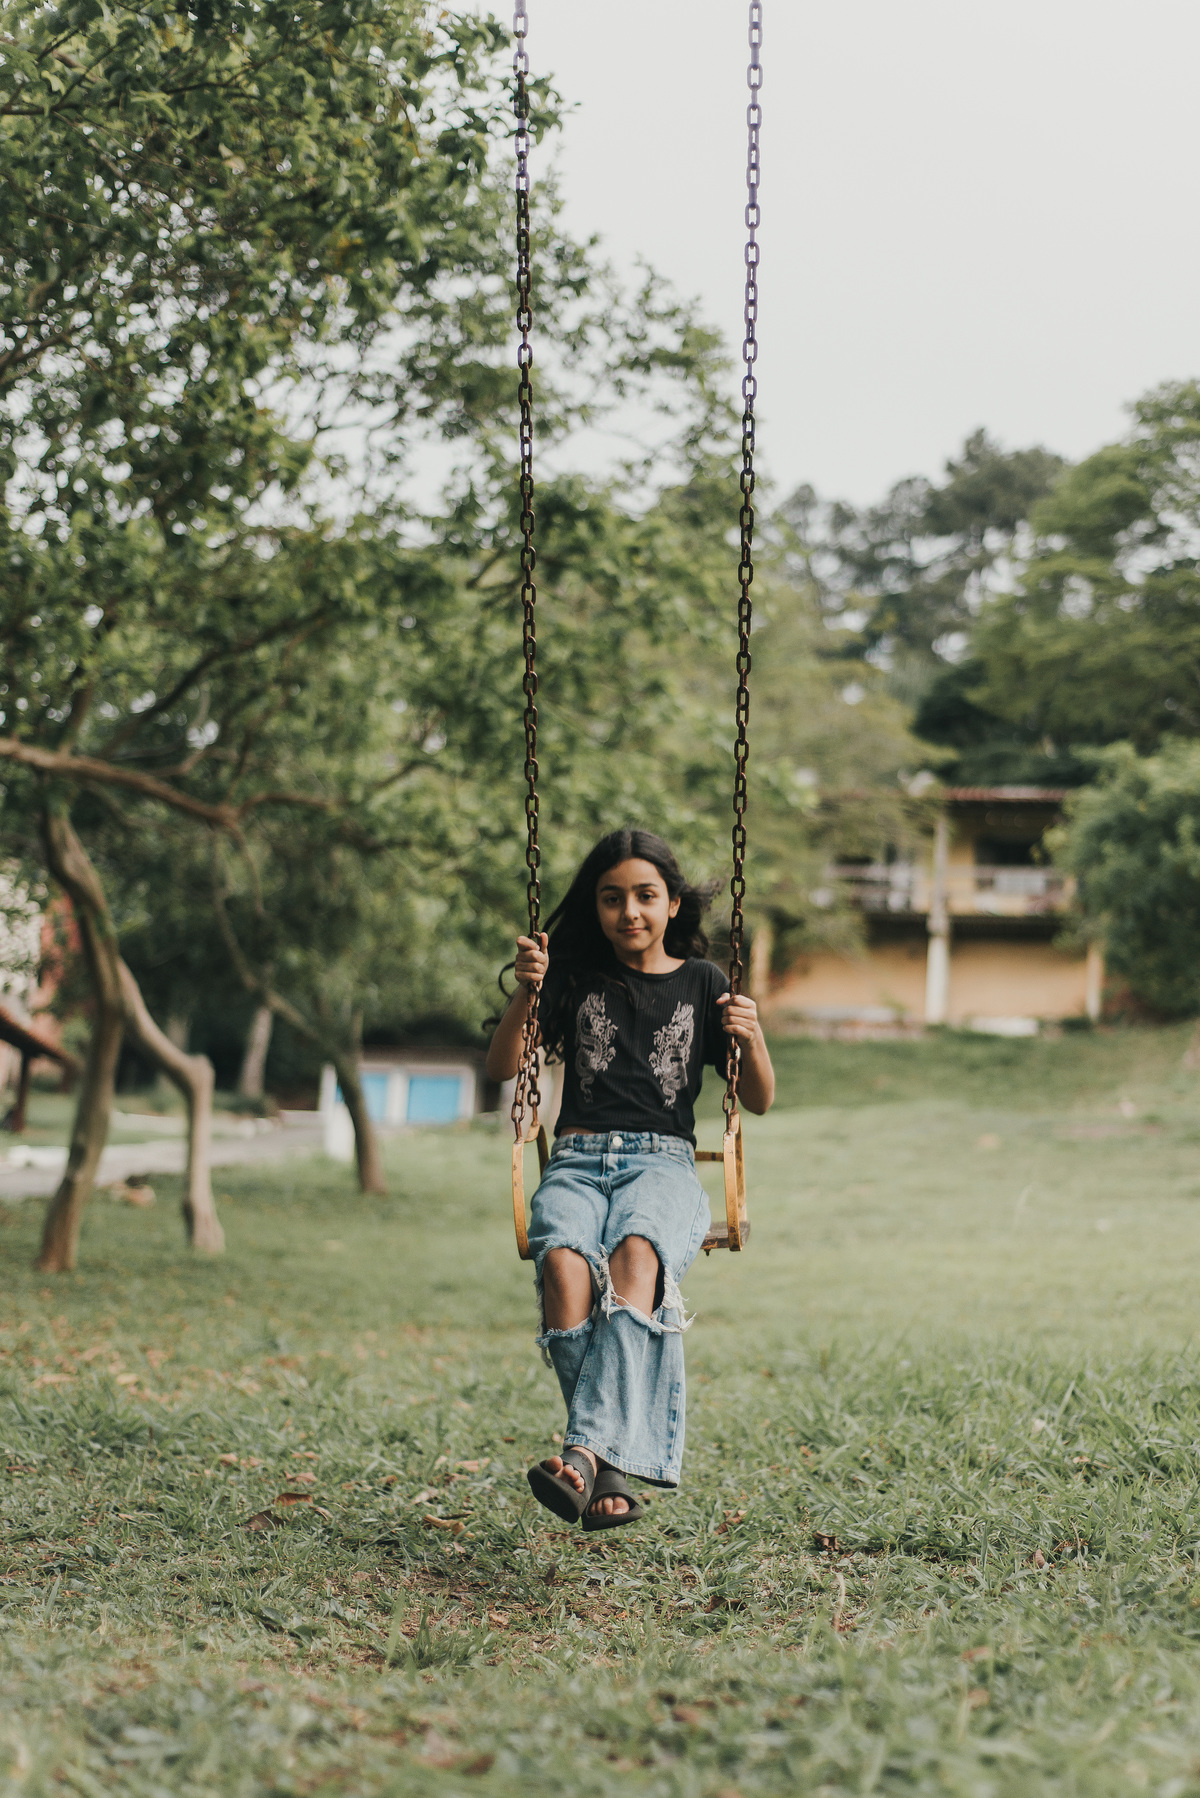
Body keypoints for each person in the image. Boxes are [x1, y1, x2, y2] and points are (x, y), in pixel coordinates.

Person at [486, 828, 775, 1530]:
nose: (630, 913)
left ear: (673, 903)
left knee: (638, 1254)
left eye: (646, 896)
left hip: (663, 1162)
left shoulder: (704, 983)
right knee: (562, 1263)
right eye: (612, 899)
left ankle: (581, 1452)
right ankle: (609, 1465)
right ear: (597, 907)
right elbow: (503, 1065)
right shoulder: (573, 977)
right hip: (579, 1161)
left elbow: (759, 1099)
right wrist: (528, 994)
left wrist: (752, 1033)